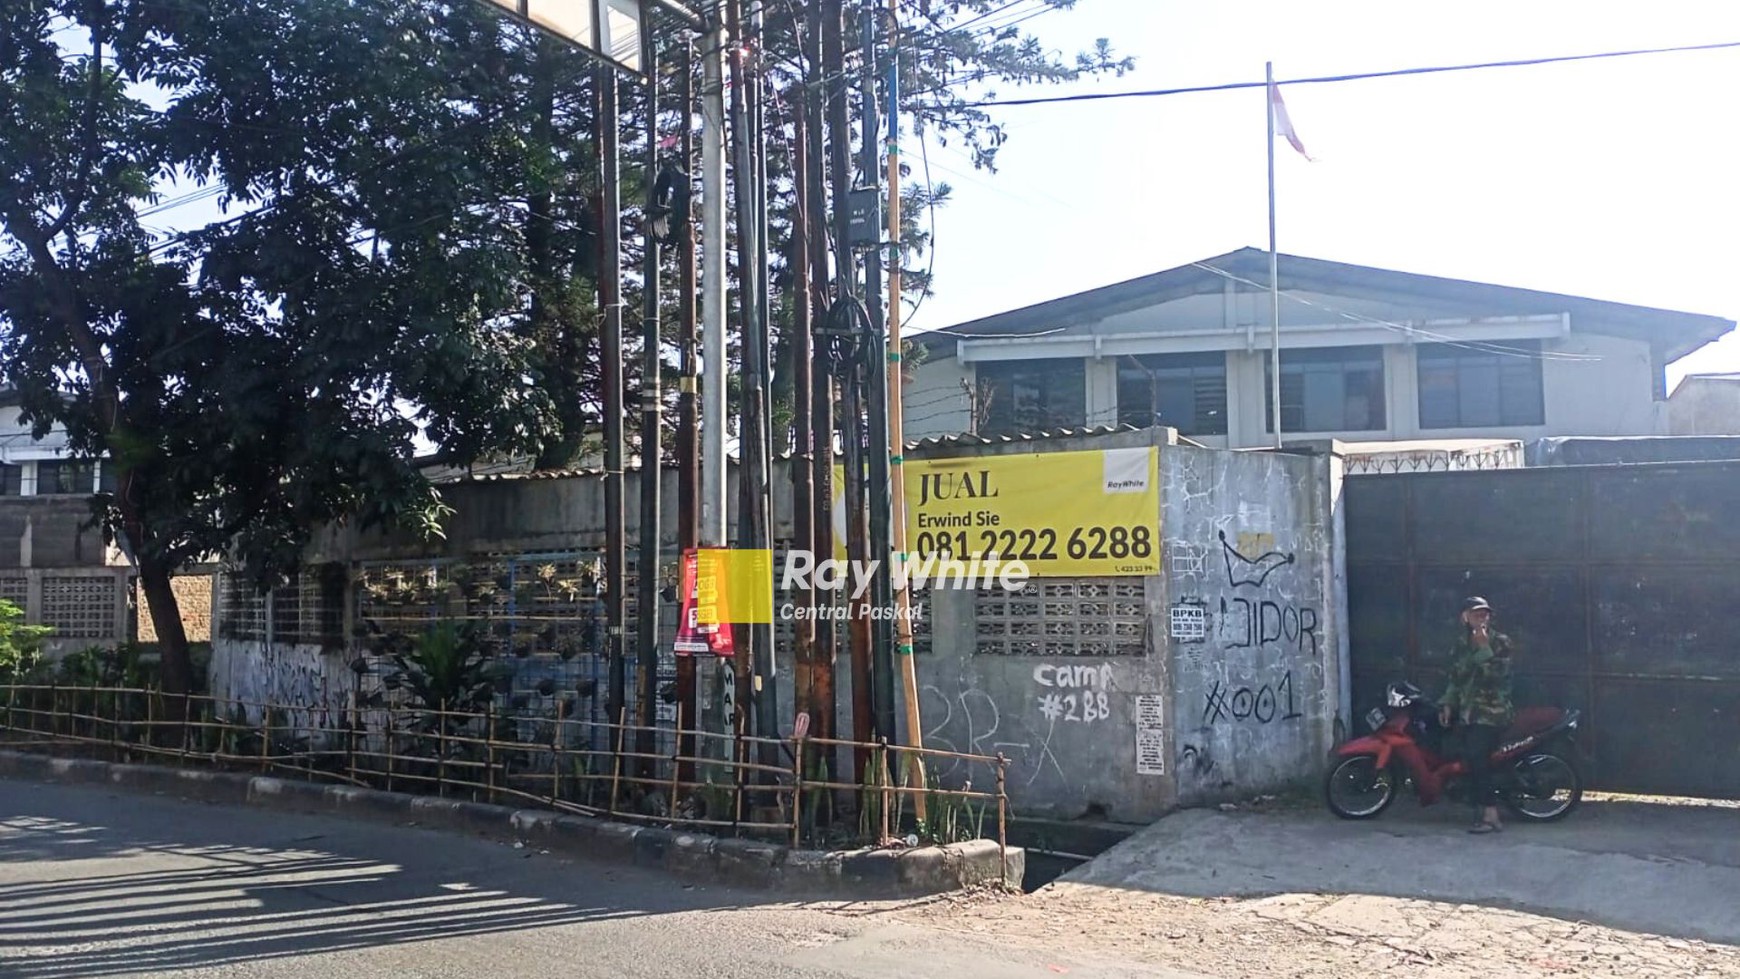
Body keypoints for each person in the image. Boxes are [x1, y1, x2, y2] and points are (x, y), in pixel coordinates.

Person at [1438, 596, 1515, 834]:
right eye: (1476, 614)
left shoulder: (1500, 642)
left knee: (1476, 756)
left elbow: (1498, 677)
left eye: (1485, 614)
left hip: (1493, 713)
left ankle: (1491, 814)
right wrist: (1447, 704)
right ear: (1465, 617)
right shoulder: (1461, 644)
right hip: (1468, 712)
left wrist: (1484, 648)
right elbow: (1455, 679)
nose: (1482, 618)